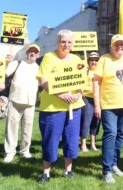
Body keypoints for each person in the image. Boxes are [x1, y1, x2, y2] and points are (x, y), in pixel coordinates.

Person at [37, 30, 85, 184]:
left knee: (71, 140)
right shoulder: (49, 58)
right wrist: (60, 94)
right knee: (50, 140)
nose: (66, 45)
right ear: (58, 42)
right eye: (63, 41)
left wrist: (78, 95)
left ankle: (68, 171)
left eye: (69, 42)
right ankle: (46, 173)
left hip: (74, 107)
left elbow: (82, 82)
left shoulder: (77, 59)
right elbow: (43, 81)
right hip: (52, 108)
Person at [93, 34, 123, 184]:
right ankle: (106, 171)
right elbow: (96, 82)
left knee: (120, 135)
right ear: (111, 46)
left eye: (122, 44)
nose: (120, 47)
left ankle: (114, 164)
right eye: (116, 44)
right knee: (110, 134)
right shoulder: (104, 59)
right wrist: (97, 105)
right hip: (109, 105)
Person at [4, 44, 40, 163]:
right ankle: (10, 152)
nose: (33, 53)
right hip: (15, 99)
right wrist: (5, 63)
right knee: (11, 127)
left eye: (35, 52)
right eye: (31, 51)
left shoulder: (39, 67)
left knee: (27, 128)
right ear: (27, 53)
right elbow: (4, 73)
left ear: (38, 54)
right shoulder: (17, 63)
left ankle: (25, 150)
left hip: (30, 102)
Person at [80, 52, 101, 152]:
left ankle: (93, 144)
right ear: (88, 61)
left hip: (98, 99)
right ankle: (83, 144)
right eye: (92, 60)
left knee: (95, 122)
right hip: (87, 98)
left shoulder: (100, 72)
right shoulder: (86, 71)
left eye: (96, 60)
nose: (94, 62)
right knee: (86, 122)